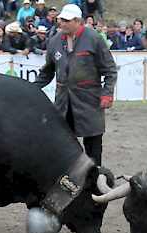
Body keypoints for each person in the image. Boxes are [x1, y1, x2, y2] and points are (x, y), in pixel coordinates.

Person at [34, 3, 117, 166]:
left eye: (67, 20)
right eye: (61, 20)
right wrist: (30, 88)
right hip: (64, 103)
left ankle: (95, 181)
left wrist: (107, 94)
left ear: (78, 21)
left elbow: (109, 69)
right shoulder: (55, 41)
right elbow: (47, 71)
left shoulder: (94, 39)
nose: (63, 23)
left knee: (93, 146)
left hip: (90, 102)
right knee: (63, 145)